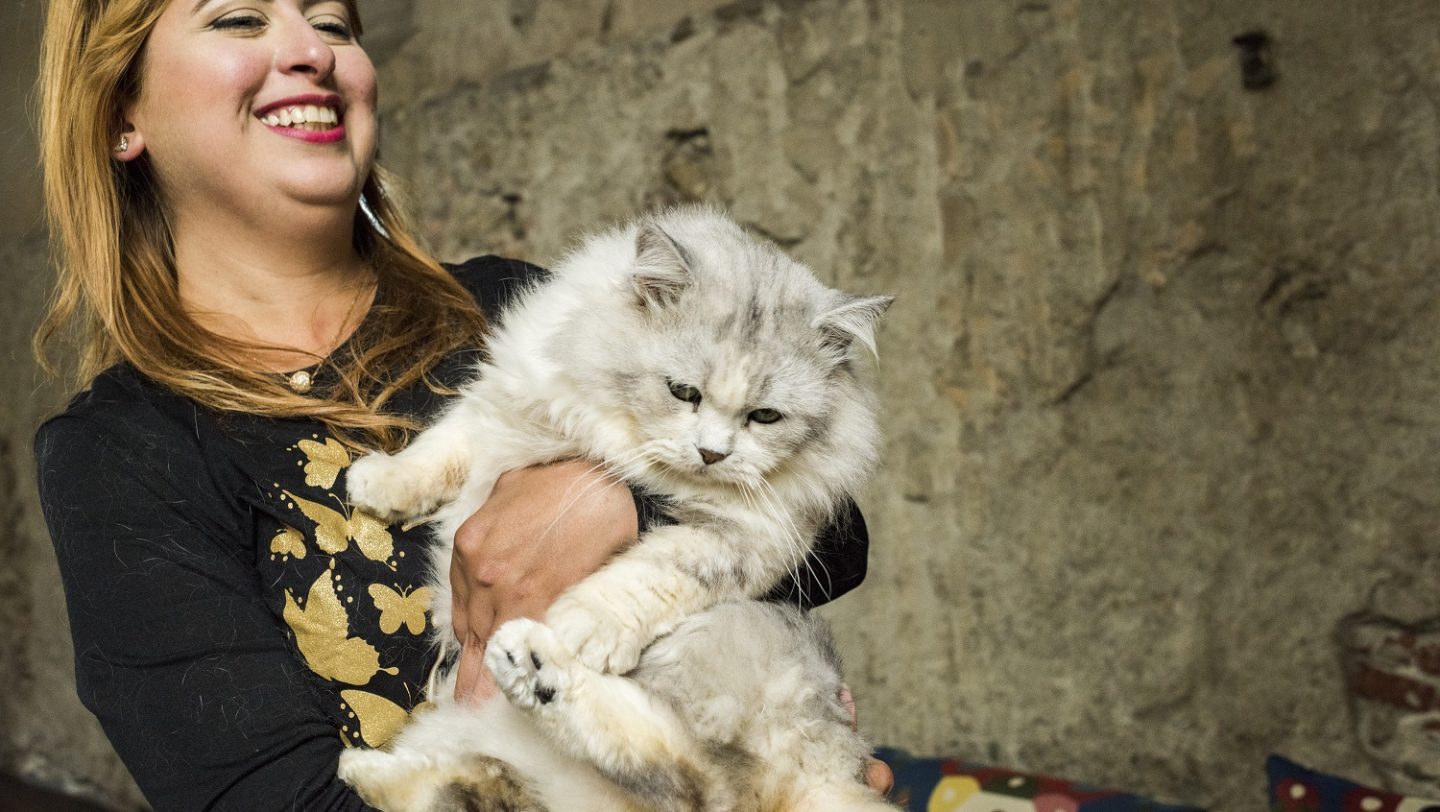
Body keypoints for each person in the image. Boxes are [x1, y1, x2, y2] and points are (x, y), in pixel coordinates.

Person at [32, 0, 887, 809]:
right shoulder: (119, 454)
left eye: (333, 22)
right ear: (120, 117)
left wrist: (606, 499)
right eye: (240, 18)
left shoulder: (510, 301)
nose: (311, 50)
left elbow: (834, 534)